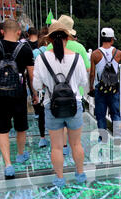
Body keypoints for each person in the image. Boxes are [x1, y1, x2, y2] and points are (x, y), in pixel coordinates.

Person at [33, 21, 88, 187]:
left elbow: (37, 86)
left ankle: (60, 178)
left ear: (49, 40)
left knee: (56, 147)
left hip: (52, 106)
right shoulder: (77, 58)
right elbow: (83, 81)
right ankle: (79, 175)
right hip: (74, 105)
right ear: (67, 38)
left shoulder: (41, 58)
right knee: (76, 144)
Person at [0, 19, 35, 179]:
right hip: (18, 94)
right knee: (20, 126)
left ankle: (8, 164)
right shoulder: (25, 49)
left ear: (2, 31)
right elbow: (31, 75)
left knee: (3, 130)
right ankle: (20, 154)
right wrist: (34, 94)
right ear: (19, 32)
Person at [47, 15, 91, 155]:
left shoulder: (49, 46)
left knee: (58, 125)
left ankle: (63, 145)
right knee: (76, 138)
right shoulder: (79, 48)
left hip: (53, 96)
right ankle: (78, 168)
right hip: (75, 94)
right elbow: (87, 70)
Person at [89, 27, 121, 143]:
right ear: (111, 39)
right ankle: (117, 138)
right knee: (115, 113)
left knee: (100, 115)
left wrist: (91, 86)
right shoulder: (117, 53)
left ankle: (103, 139)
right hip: (114, 89)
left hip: (100, 88)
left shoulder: (95, 54)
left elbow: (92, 73)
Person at [31, 30, 50, 148]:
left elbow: (33, 74)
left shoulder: (35, 53)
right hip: (55, 89)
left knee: (42, 115)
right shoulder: (53, 52)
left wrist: (35, 92)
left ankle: (42, 138)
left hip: (42, 89)